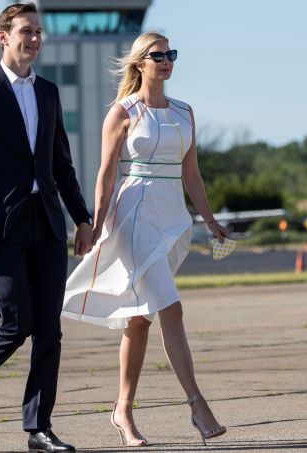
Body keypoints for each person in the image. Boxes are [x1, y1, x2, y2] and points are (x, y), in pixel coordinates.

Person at [62, 32, 228, 447]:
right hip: (134, 216)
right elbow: (105, 174)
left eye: (171, 54)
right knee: (171, 308)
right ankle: (197, 404)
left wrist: (210, 220)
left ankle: (122, 409)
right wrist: (95, 225)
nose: (167, 61)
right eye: (158, 56)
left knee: (139, 320)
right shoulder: (122, 112)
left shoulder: (184, 113)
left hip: (172, 218)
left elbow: (192, 174)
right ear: (140, 63)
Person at [0, 3, 92, 452]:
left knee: (49, 328)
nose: (34, 39)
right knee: (16, 322)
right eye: (26, 31)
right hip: (2, 227)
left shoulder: (48, 92)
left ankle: (38, 429)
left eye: (38, 32)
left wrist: (82, 217)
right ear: (3, 35)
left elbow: (60, 163)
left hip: (47, 222)